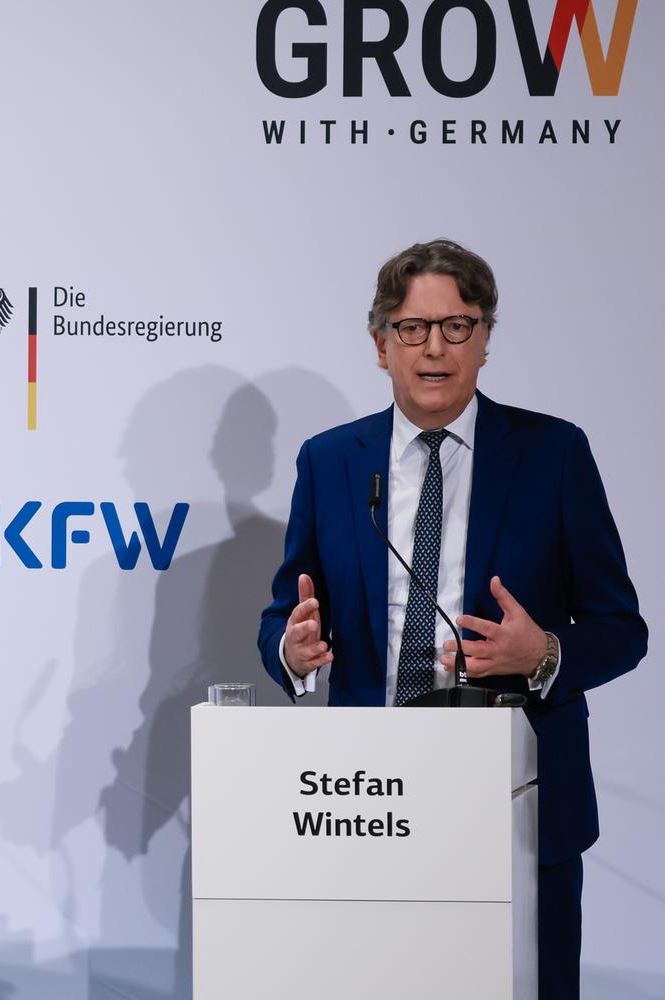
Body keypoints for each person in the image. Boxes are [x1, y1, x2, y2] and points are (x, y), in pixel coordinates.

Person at [257, 239, 646, 999]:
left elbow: (622, 627)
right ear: (381, 345)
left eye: (457, 326)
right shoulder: (330, 461)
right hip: (373, 802)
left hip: (518, 801)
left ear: (486, 340)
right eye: (412, 328)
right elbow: (285, 610)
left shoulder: (555, 454)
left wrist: (544, 653)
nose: (434, 347)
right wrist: (293, 650)